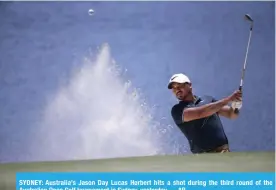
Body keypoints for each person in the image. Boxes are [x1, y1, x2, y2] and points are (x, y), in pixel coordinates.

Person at [168, 73, 242, 154]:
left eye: (179, 85)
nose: (177, 90)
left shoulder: (208, 100)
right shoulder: (177, 110)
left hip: (224, 152)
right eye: (174, 88)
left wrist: (236, 105)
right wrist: (229, 99)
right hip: (203, 158)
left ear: (189, 85)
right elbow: (201, 112)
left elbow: (231, 114)